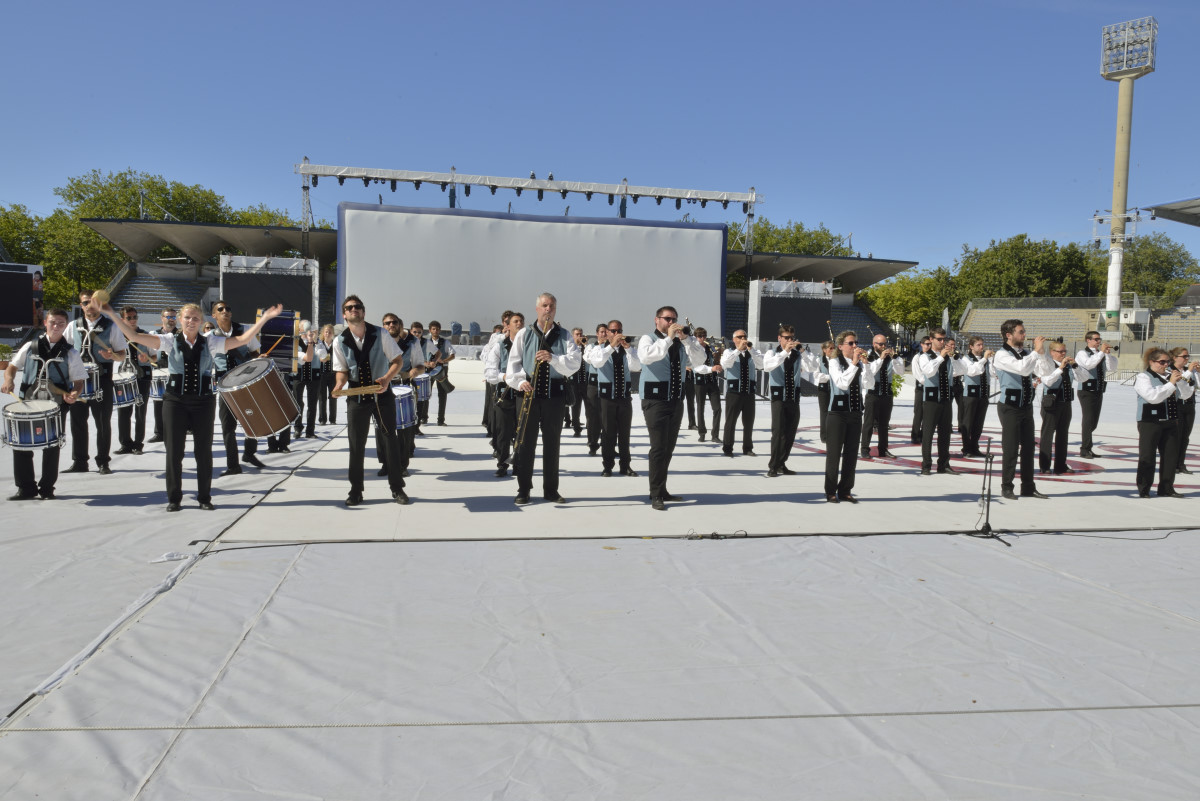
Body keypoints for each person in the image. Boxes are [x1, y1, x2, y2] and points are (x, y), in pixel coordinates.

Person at [101, 301, 281, 511]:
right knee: (174, 452)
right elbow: (134, 337)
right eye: (187, 317)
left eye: (196, 318)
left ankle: (204, 497)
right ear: (180, 319)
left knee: (203, 452)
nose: (191, 321)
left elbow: (243, 339)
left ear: (202, 321)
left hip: (203, 401)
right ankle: (174, 498)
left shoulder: (211, 341)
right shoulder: (169, 340)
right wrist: (112, 315)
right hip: (175, 401)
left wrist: (265, 319)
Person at [331, 296, 408, 506]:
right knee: (356, 445)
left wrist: (386, 379)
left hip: (381, 393)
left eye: (358, 307)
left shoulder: (380, 333)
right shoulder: (339, 341)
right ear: (344, 314)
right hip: (357, 395)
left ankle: (397, 488)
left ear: (363, 312)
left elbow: (397, 361)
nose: (354, 309)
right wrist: (339, 385)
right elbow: (342, 371)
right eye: (349, 308)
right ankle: (356, 490)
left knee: (389, 440)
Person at [506, 292, 582, 504]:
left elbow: (575, 363)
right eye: (545, 306)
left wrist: (553, 358)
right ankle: (524, 489)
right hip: (529, 396)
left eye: (552, 306)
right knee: (525, 444)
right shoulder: (524, 334)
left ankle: (551, 490)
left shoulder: (565, 335)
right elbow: (513, 365)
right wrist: (521, 382)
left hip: (554, 398)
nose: (548, 310)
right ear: (537, 309)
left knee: (552, 444)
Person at [2, 308, 86, 500]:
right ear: (45, 323)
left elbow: (79, 381)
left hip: (55, 406)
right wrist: (8, 380)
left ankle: (47, 488)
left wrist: (74, 393)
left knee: (52, 445)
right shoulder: (30, 346)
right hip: (28, 403)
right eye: (52, 322)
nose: (56, 326)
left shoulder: (71, 353)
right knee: (22, 444)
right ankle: (25, 488)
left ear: (65, 326)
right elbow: (12, 367)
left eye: (61, 323)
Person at [637, 305, 706, 510]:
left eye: (673, 319)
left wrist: (687, 340)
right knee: (658, 447)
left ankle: (662, 489)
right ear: (657, 320)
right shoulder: (647, 339)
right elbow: (647, 357)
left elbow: (700, 360)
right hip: (654, 400)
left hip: (675, 399)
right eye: (667, 318)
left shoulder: (681, 342)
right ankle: (655, 492)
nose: (671, 322)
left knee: (668, 447)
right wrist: (668, 338)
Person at [64, 290, 127, 475]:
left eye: (92, 303)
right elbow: (64, 349)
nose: (89, 307)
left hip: (102, 380)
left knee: (102, 422)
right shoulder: (72, 326)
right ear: (80, 305)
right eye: (85, 303)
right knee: (77, 422)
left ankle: (103, 462)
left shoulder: (111, 326)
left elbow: (122, 354)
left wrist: (112, 355)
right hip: (78, 382)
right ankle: (80, 461)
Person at [993, 319, 1051, 500]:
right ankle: (1007, 486)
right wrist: (1034, 352)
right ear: (1009, 335)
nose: (1024, 335)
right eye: (1021, 332)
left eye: (1024, 331)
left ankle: (1028, 486)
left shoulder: (1026, 353)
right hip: (1009, 407)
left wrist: (1041, 354)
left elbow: (1046, 371)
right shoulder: (1001, 355)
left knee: (1028, 449)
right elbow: (1022, 369)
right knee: (1011, 449)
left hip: (1025, 406)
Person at [824, 331, 883, 503]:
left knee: (851, 454)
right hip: (837, 414)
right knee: (834, 455)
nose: (855, 346)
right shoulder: (834, 362)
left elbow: (869, 384)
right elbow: (841, 383)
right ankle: (830, 491)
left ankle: (846, 490)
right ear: (841, 346)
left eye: (856, 342)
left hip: (855, 413)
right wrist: (855, 364)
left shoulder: (860, 364)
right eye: (851, 343)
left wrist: (866, 366)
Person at [207, 300, 262, 476]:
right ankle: (233, 465)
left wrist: (258, 361)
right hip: (225, 386)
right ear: (214, 315)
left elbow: (255, 353)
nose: (225, 311)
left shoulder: (245, 330)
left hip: (246, 382)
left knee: (252, 421)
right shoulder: (209, 337)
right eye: (220, 309)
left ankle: (249, 453)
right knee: (227, 426)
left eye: (228, 308)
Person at [1133, 347, 1191, 498]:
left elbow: (1185, 395)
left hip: (1171, 421)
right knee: (1148, 456)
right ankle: (1144, 487)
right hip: (1150, 422)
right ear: (1151, 362)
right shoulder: (1143, 377)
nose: (1166, 365)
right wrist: (1171, 383)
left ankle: (1166, 487)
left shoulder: (1169, 376)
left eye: (1168, 362)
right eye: (1162, 362)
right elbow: (1152, 397)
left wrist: (1182, 381)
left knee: (1171, 456)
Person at [589, 318, 640, 477]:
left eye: (619, 331)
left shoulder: (628, 350)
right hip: (606, 399)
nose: (617, 334)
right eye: (613, 331)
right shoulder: (599, 349)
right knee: (608, 433)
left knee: (625, 434)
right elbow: (597, 362)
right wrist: (611, 346)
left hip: (624, 398)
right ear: (608, 333)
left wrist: (629, 349)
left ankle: (625, 465)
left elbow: (637, 366)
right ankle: (608, 466)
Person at [912, 327, 962, 476]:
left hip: (946, 399)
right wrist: (941, 356)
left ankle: (944, 464)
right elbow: (929, 372)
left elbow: (961, 370)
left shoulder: (948, 356)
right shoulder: (924, 356)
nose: (942, 342)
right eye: (939, 339)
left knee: (945, 433)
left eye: (944, 339)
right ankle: (926, 465)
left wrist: (954, 358)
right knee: (928, 433)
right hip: (931, 400)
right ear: (932, 340)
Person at [484, 312, 524, 477]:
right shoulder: (499, 346)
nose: (519, 324)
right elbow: (490, 373)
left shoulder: (528, 345)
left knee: (521, 433)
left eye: (521, 321)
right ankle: (502, 463)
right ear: (508, 325)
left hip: (522, 395)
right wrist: (505, 377)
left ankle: (519, 464)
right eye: (515, 321)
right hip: (504, 394)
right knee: (502, 433)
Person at [1038, 342, 1086, 475]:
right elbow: (1047, 381)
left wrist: (1075, 366)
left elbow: (1084, 378)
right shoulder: (1047, 364)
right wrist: (1060, 368)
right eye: (1060, 351)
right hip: (1051, 404)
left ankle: (1060, 465)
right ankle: (1045, 465)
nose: (1063, 354)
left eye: (1065, 351)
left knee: (1063, 435)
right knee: (1047, 435)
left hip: (1065, 403)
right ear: (1052, 352)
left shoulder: (1070, 367)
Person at [763, 324, 802, 477]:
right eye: (786, 338)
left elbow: (812, 368)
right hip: (779, 398)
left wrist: (804, 352)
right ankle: (773, 466)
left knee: (790, 433)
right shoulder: (771, 353)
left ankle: (781, 463)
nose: (790, 340)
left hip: (793, 397)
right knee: (778, 433)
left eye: (792, 338)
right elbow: (767, 366)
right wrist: (785, 352)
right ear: (779, 338)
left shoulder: (797, 354)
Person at [115, 306, 153, 456]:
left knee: (140, 412)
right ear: (122, 319)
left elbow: (154, 357)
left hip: (142, 376)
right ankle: (125, 443)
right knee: (123, 411)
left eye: (134, 317)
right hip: (124, 377)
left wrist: (147, 358)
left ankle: (138, 444)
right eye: (129, 317)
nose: (132, 320)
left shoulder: (145, 335)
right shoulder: (117, 335)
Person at [860, 333, 904, 459]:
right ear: (874, 344)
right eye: (881, 344)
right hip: (873, 393)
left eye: (885, 344)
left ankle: (883, 449)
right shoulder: (868, 356)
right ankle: (864, 449)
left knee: (884, 424)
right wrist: (881, 358)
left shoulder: (891, 358)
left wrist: (895, 358)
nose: (884, 346)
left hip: (887, 393)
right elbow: (871, 371)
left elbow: (900, 372)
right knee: (868, 423)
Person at [720, 329, 763, 457]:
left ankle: (748, 447)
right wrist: (738, 350)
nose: (743, 339)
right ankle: (727, 447)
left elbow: (761, 365)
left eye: (744, 336)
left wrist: (751, 350)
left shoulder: (753, 352)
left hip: (749, 392)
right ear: (734, 339)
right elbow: (725, 364)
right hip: (734, 392)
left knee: (749, 422)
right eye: (740, 337)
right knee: (731, 421)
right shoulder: (728, 352)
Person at [1075, 332, 1117, 459]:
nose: (1099, 341)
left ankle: (1088, 447)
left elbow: (1112, 368)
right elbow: (1089, 364)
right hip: (1087, 390)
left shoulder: (1101, 354)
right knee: (1088, 420)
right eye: (1096, 339)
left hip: (1098, 389)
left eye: (1099, 339)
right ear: (1088, 340)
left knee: (1094, 422)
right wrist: (1101, 353)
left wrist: (1107, 355)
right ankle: (1084, 448)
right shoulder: (1082, 353)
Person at [959, 337, 994, 457]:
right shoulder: (965, 359)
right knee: (968, 423)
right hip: (970, 394)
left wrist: (992, 360)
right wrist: (984, 359)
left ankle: (975, 446)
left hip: (983, 393)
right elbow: (973, 371)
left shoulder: (986, 360)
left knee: (979, 423)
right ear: (971, 346)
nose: (981, 347)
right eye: (978, 345)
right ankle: (966, 448)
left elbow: (993, 373)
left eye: (982, 344)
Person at [147, 307, 177, 443]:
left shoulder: (182, 334)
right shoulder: (154, 334)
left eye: (173, 317)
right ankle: (159, 432)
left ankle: (179, 430)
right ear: (162, 318)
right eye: (168, 317)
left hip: (176, 373)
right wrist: (147, 358)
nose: (171, 320)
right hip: (159, 371)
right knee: (158, 403)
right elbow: (152, 356)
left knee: (177, 404)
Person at [691, 327, 723, 443]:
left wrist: (718, 359)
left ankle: (715, 435)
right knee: (700, 408)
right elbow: (696, 367)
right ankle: (702, 433)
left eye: (704, 336)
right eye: (700, 336)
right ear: (695, 337)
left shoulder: (710, 348)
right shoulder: (694, 349)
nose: (703, 338)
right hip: (700, 381)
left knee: (717, 408)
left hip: (712, 380)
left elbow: (716, 361)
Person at [1170, 347, 1199, 475]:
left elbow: (1196, 385)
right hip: (1177, 405)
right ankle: (1172, 464)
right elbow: (1180, 382)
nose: (1187, 359)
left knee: (1185, 437)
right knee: (1176, 436)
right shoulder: (1170, 370)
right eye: (1184, 357)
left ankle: (1181, 464)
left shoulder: (1188, 371)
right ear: (1175, 358)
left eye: (1188, 357)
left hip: (1189, 405)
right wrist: (1190, 371)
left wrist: (1198, 372)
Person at [801, 341, 835, 443]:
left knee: (834, 412)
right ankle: (824, 435)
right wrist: (831, 377)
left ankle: (834, 433)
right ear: (824, 350)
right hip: (823, 389)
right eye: (830, 348)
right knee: (824, 412)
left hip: (835, 389)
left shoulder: (837, 360)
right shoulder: (819, 360)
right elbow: (817, 376)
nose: (833, 350)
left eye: (834, 348)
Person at [292, 327, 321, 439]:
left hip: (314, 375)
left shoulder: (318, 342)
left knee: (312, 404)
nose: (308, 332)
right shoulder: (296, 341)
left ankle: (310, 431)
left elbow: (322, 356)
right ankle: (297, 428)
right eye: (305, 329)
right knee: (298, 402)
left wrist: (314, 341)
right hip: (299, 374)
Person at [425, 320, 456, 425]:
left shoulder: (445, 342)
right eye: (433, 329)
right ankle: (424, 417)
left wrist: (444, 361)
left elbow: (452, 355)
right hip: (429, 370)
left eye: (437, 329)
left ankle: (441, 420)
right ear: (430, 330)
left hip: (442, 370)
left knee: (442, 394)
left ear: (440, 330)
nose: (436, 331)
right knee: (426, 394)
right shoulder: (426, 342)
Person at [584, 323, 608, 455]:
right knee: (593, 415)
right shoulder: (591, 347)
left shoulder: (611, 347)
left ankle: (608, 444)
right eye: (602, 332)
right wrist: (600, 346)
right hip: (593, 385)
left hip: (607, 384)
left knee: (607, 415)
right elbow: (589, 359)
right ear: (597, 333)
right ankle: (593, 443)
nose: (604, 334)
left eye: (606, 332)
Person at [564, 327, 588, 435]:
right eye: (577, 334)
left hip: (585, 381)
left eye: (581, 334)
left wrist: (586, 346)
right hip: (574, 382)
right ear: (573, 336)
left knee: (590, 406)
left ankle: (591, 425)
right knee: (575, 406)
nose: (579, 336)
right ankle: (576, 428)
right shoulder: (570, 349)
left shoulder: (586, 348)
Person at [909, 337, 931, 443]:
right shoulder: (917, 358)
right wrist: (930, 383)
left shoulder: (932, 356)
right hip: (921, 388)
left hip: (931, 389)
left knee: (928, 413)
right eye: (926, 344)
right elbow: (918, 375)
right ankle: (915, 434)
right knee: (918, 412)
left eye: (930, 344)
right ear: (921, 344)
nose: (928, 346)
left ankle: (924, 434)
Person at [317, 324, 337, 425]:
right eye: (326, 332)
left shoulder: (336, 344)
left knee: (333, 396)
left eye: (329, 332)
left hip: (333, 374)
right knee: (322, 397)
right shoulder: (320, 344)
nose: (328, 333)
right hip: (322, 374)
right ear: (323, 333)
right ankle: (322, 419)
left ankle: (332, 419)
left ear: (332, 333)